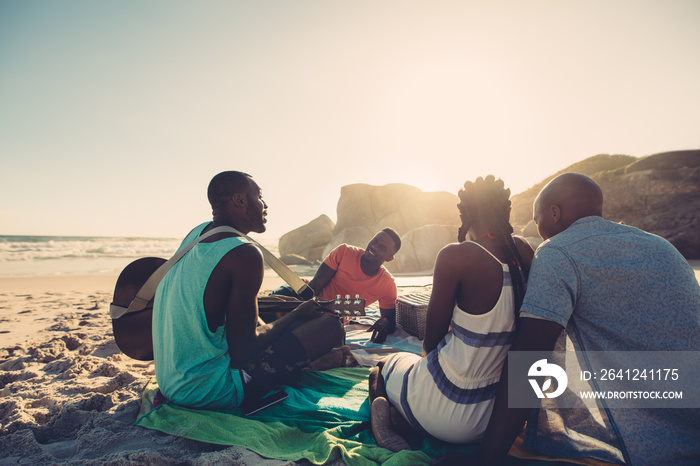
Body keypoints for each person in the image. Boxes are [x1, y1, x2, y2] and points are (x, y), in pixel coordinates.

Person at [448, 173, 700, 466]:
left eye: (538, 218)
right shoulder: (662, 246)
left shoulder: (557, 251)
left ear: (554, 213)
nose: (540, 230)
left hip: (654, 442)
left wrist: (485, 460)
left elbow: (530, 359)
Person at [152, 171, 345, 411]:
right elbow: (244, 351)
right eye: (260, 196)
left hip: (171, 382)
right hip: (207, 391)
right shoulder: (244, 253)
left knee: (272, 316)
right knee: (329, 326)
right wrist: (298, 313)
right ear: (240, 201)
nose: (265, 204)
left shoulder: (198, 233)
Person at [368, 176, 534, 451]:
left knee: (385, 364)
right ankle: (407, 415)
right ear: (505, 212)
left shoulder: (457, 256)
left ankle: (384, 420)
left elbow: (430, 343)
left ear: (465, 214)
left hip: (447, 413)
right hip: (502, 417)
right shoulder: (525, 252)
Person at [273, 229, 402, 343]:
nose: (374, 246)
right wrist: (297, 311)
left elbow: (390, 321)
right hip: (302, 293)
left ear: (390, 258)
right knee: (264, 309)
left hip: (328, 321)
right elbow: (315, 286)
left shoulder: (387, 284)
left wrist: (385, 322)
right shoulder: (344, 252)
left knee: (286, 336)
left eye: (382, 248)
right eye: (374, 240)